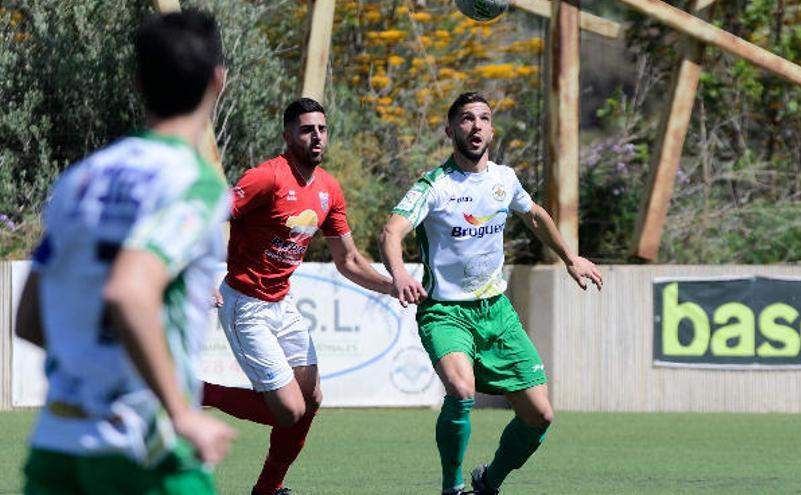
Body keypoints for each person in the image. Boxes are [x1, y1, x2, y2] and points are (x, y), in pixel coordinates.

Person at [14, 10, 236, 495]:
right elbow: (129, 291)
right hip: (145, 449)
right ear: (217, 81)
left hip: (57, 446)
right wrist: (182, 414)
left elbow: (29, 319)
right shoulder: (193, 184)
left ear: (137, 83)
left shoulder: (81, 178)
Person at [379, 92, 603, 495]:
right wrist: (398, 273)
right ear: (451, 131)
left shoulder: (504, 179)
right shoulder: (435, 185)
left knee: (540, 415)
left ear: (492, 129)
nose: (476, 125)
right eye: (466, 119)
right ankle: (452, 487)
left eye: (484, 118)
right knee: (462, 391)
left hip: (497, 313)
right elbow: (392, 231)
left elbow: (533, 214)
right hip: (446, 313)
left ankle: (490, 481)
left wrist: (570, 257)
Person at [202, 97, 394, 495]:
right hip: (246, 304)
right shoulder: (266, 178)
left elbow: (349, 260)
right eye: (307, 129)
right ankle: (194, 391)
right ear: (287, 135)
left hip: (281, 303)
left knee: (312, 397)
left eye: (322, 128)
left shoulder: (328, 188)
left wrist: (395, 286)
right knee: (289, 410)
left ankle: (267, 488)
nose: (317, 136)